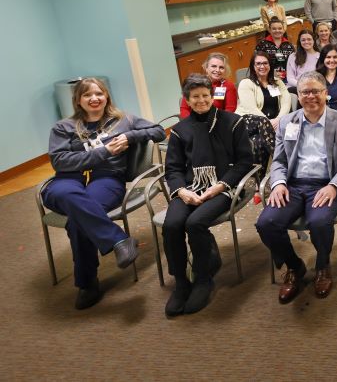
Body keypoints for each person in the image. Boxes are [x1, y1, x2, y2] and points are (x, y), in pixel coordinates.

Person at [42, 78, 165, 309]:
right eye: (87, 95)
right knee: (69, 198)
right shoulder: (63, 127)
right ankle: (118, 240)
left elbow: (158, 132)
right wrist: (104, 152)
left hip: (106, 179)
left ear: (106, 96)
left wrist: (130, 136)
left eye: (99, 93)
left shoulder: (124, 120)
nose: (94, 98)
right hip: (68, 180)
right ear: (78, 100)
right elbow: (60, 161)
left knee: (78, 221)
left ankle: (87, 284)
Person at [256, 71, 337, 304]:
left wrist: (334, 186)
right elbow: (279, 160)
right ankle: (295, 266)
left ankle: (322, 266)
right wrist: (278, 183)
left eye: (316, 91)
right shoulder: (287, 122)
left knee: (319, 222)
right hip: (293, 185)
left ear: (326, 93)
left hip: (326, 183)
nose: (310, 96)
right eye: (305, 92)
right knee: (266, 223)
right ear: (298, 94)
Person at [162, 74, 253, 316]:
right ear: (187, 100)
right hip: (189, 187)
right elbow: (173, 168)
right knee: (172, 225)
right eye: (195, 97)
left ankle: (203, 279)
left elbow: (245, 161)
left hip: (224, 186)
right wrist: (182, 191)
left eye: (205, 95)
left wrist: (220, 186)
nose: (201, 100)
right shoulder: (180, 130)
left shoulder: (232, 122)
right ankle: (181, 282)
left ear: (212, 97)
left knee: (195, 222)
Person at [236, 51, 291, 132]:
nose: (262, 66)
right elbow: (251, 109)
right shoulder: (246, 83)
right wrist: (268, 122)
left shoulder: (278, 82)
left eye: (265, 63)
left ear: (270, 65)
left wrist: (279, 119)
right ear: (253, 66)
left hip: (276, 122)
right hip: (254, 123)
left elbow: (286, 102)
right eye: (258, 64)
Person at [179, 52, 237, 118]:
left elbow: (230, 110)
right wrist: (192, 122)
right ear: (206, 68)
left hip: (218, 120)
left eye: (221, 67)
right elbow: (184, 109)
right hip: (194, 120)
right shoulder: (195, 83)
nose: (217, 70)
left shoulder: (229, 86)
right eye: (214, 66)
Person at [255, 18, 296, 82]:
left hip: (287, 78)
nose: (277, 31)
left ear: (283, 29)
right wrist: (272, 75)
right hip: (267, 79)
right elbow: (257, 64)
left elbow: (293, 64)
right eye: (274, 29)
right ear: (269, 30)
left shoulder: (289, 45)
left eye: (280, 28)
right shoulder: (262, 45)